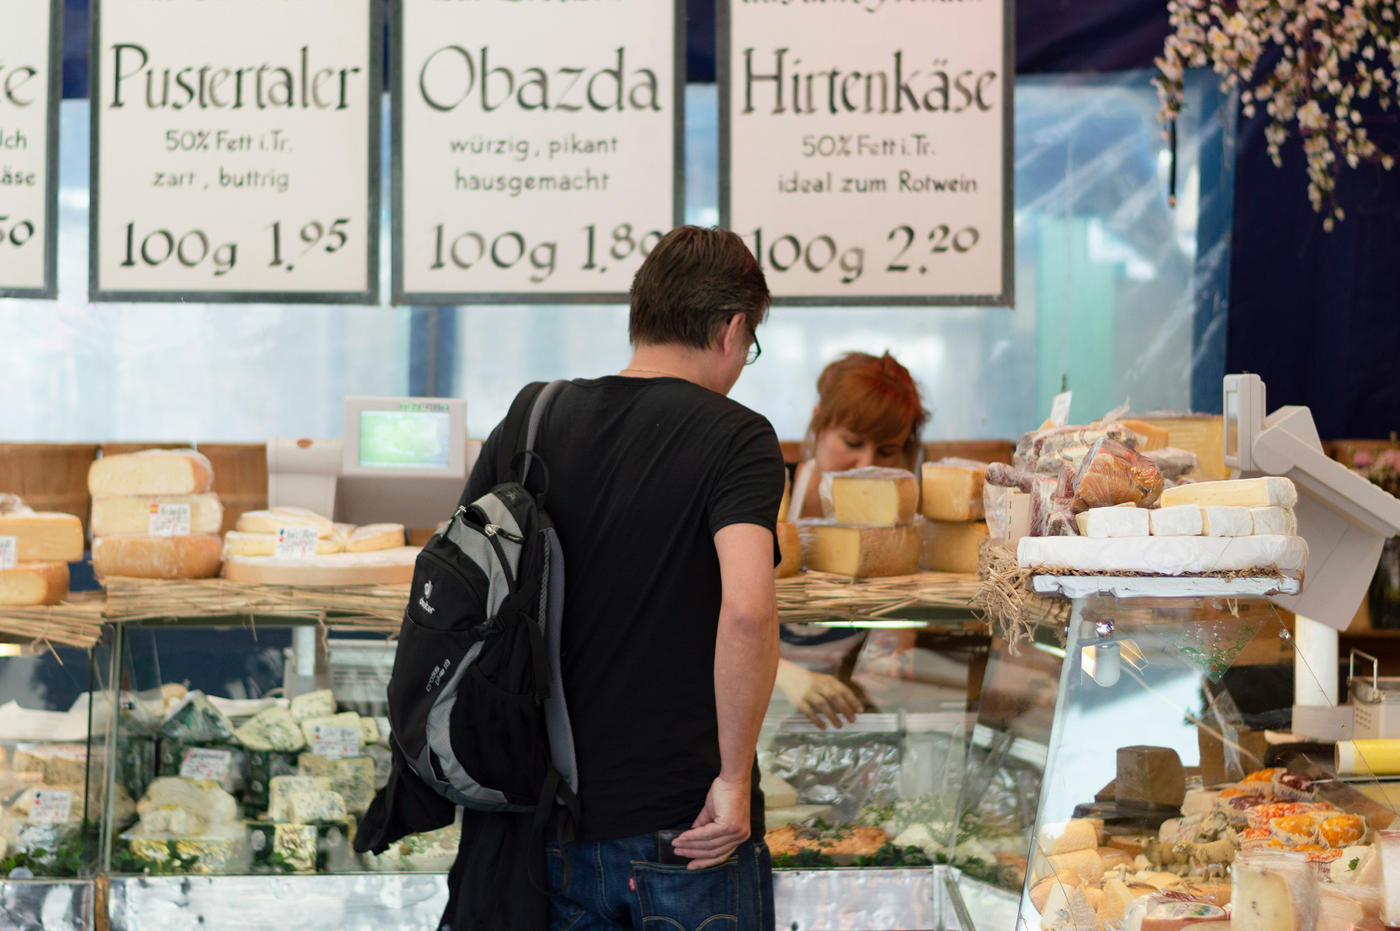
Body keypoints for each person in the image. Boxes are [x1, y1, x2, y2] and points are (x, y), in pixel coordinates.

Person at [459, 226, 785, 930]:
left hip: (549, 822)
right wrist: (733, 780)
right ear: (733, 329)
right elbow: (750, 610)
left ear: (642, 313)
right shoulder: (739, 437)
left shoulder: (532, 416)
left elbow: (465, 587)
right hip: (687, 826)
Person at [772, 351, 929, 730]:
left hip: (847, 718)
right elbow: (712, 616)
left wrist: (890, 665)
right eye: (852, 442)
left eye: (887, 451)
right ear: (818, 424)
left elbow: (896, 632)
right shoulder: (769, 495)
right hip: (763, 707)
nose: (866, 464)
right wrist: (785, 675)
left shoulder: (902, 524)